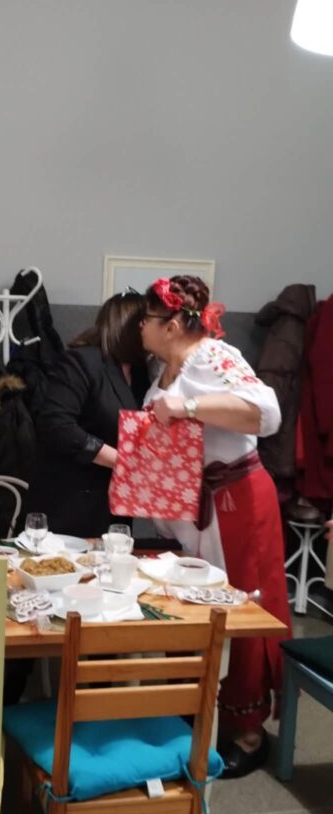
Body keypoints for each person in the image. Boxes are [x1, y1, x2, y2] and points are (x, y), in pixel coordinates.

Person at [140, 274, 291, 777]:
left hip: (237, 499)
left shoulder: (214, 357)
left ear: (172, 324)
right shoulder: (164, 370)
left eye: (147, 319)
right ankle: (198, 709)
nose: (141, 327)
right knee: (196, 608)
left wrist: (186, 407)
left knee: (242, 610)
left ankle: (248, 731)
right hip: (197, 506)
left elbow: (266, 413)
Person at [26, 291, 149, 537]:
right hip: (69, 501)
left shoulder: (141, 373)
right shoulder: (82, 361)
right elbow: (57, 425)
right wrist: (119, 459)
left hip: (114, 504)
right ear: (130, 326)